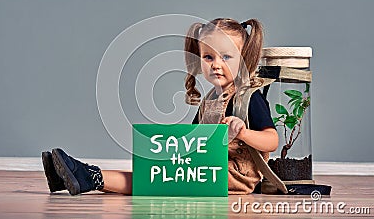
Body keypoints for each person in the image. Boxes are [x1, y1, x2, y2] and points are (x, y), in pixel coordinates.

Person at [42, 17, 278, 196]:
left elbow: (272, 140)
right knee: (154, 168)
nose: (216, 65)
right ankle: (74, 177)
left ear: (244, 60)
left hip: (232, 176)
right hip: (209, 167)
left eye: (226, 57)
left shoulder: (247, 98)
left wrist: (244, 133)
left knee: (157, 178)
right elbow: (194, 140)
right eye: (208, 57)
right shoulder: (209, 100)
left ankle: (88, 176)